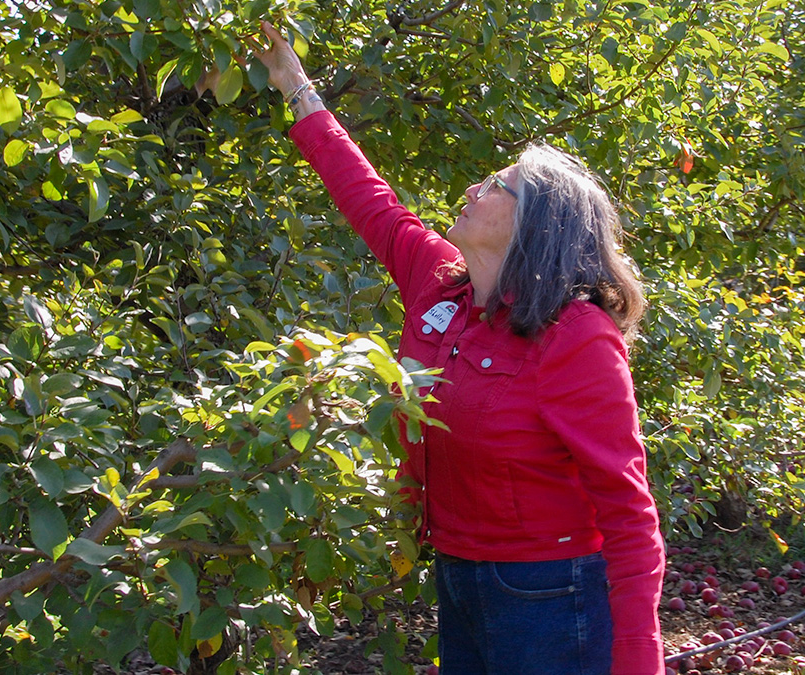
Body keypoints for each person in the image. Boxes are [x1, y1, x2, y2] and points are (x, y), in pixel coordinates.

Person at [250, 21, 666, 675]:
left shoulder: (576, 335)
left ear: (539, 223)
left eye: (498, 186)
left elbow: (627, 505)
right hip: (462, 572)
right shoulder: (438, 280)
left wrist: (640, 657)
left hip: (551, 592)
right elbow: (368, 197)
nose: (474, 190)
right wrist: (293, 84)